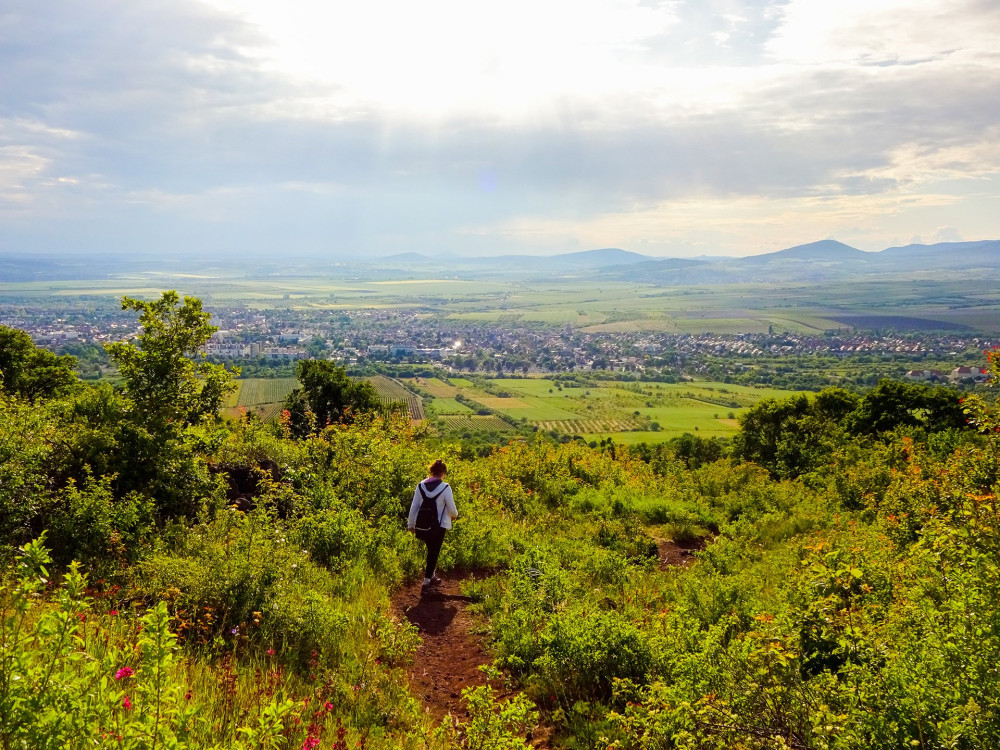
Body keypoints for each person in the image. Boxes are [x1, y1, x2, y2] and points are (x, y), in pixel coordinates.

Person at [407, 459, 458, 592]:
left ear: (431, 471)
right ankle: (426, 582)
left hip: (423, 525)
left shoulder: (420, 486)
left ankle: (432, 576)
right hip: (439, 526)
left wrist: (411, 524)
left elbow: (414, 506)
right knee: (434, 552)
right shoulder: (446, 488)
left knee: (431, 551)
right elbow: (452, 510)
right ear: (443, 473)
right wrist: (454, 516)